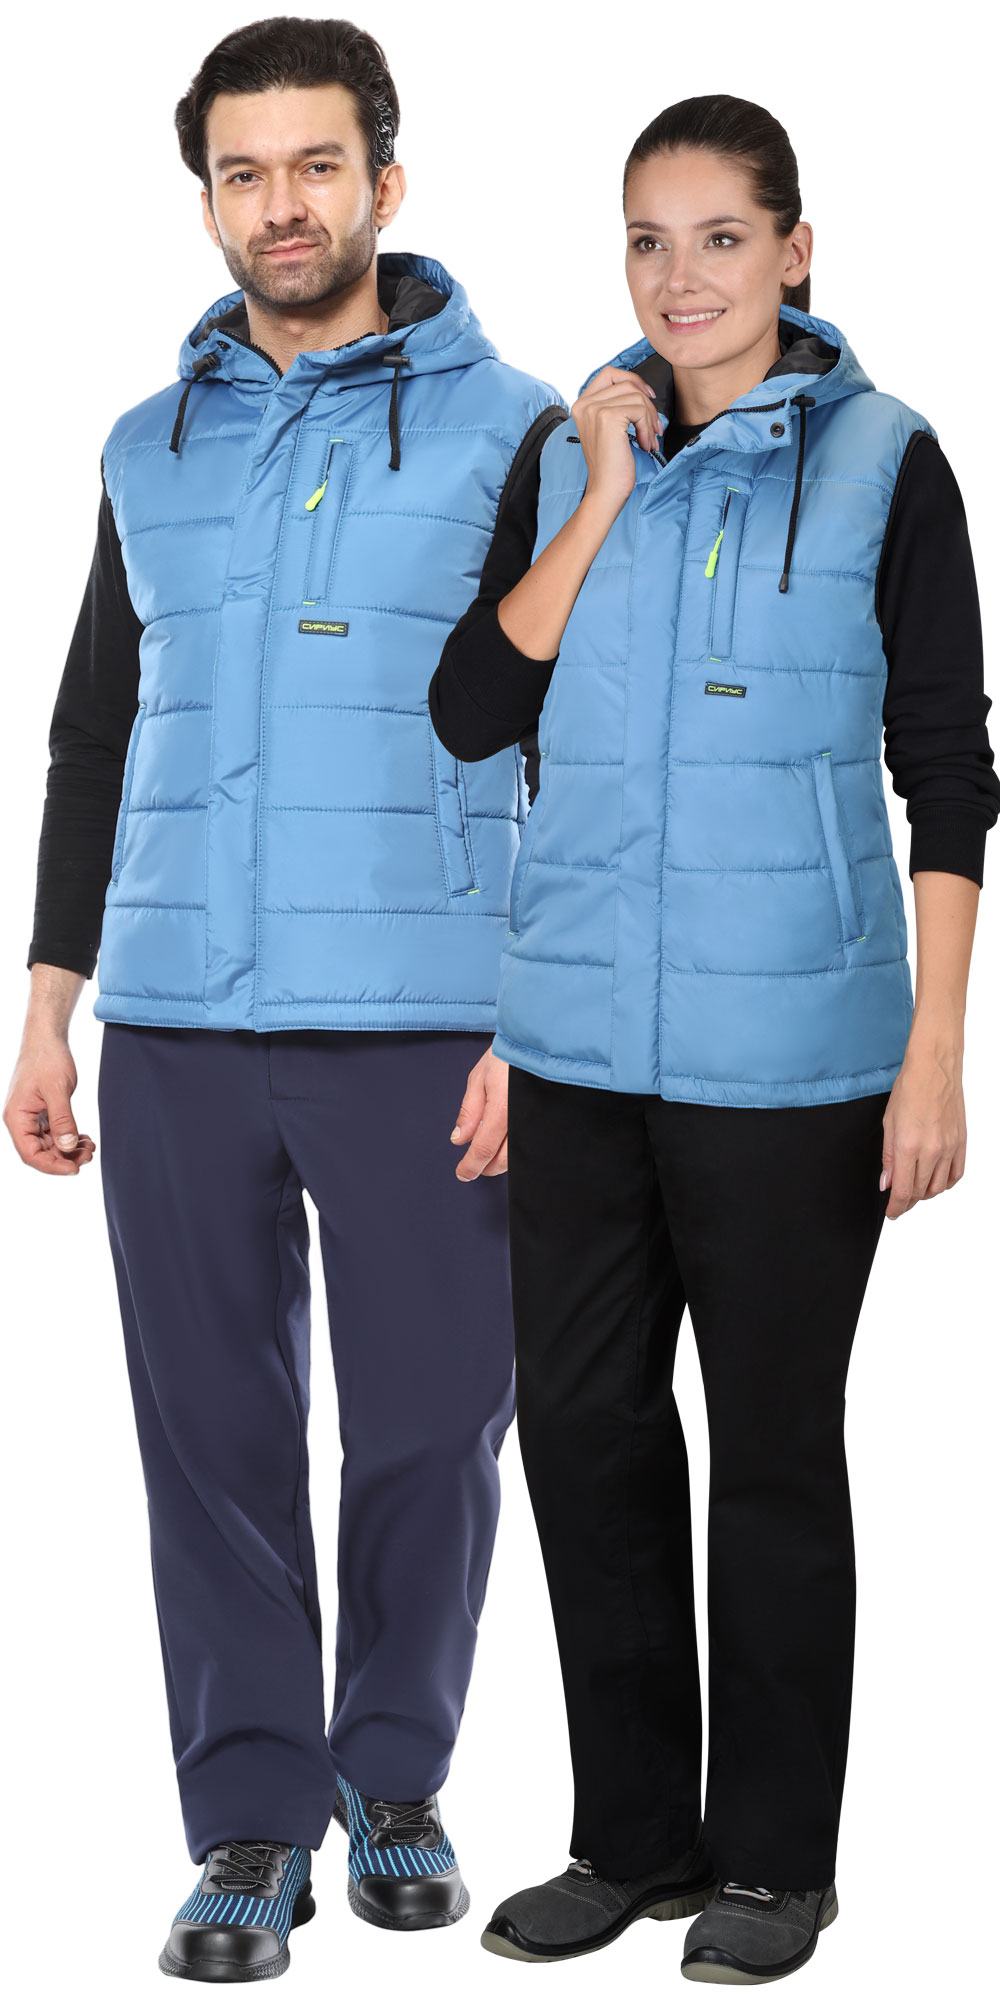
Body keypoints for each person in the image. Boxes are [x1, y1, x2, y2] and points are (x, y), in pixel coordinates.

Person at [5, 16, 565, 1980]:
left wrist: (538, 1016)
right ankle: (247, 1821)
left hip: (430, 1018)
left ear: (384, 182)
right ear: (210, 201)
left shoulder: (521, 432)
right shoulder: (144, 446)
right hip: (175, 1017)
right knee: (210, 1437)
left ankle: (394, 1773)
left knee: (431, 1420)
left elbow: (585, 742)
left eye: (316, 164)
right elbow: (95, 729)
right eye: (243, 172)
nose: (282, 203)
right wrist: (53, 994)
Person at [430, 94, 998, 1985]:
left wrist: (937, 1053)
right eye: (649, 242)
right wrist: (603, 493)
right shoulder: (563, 455)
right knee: (585, 1440)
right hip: (577, 1050)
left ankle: (773, 1862)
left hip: (796, 1070)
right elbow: (472, 710)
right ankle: (630, 1840)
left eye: (724, 238)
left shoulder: (888, 464)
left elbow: (948, 769)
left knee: (767, 1453)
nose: (683, 279)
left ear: (796, 251)